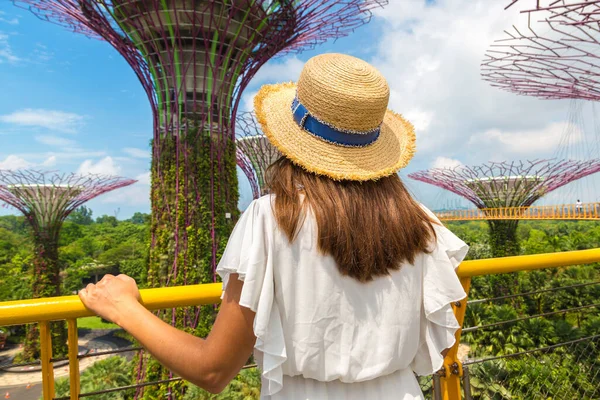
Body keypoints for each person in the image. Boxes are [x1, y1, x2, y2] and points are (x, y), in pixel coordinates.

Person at [78, 53, 468, 399]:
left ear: (290, 138)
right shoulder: (421, 222)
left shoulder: (271, 220)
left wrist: (122, 307)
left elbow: (212, 371)